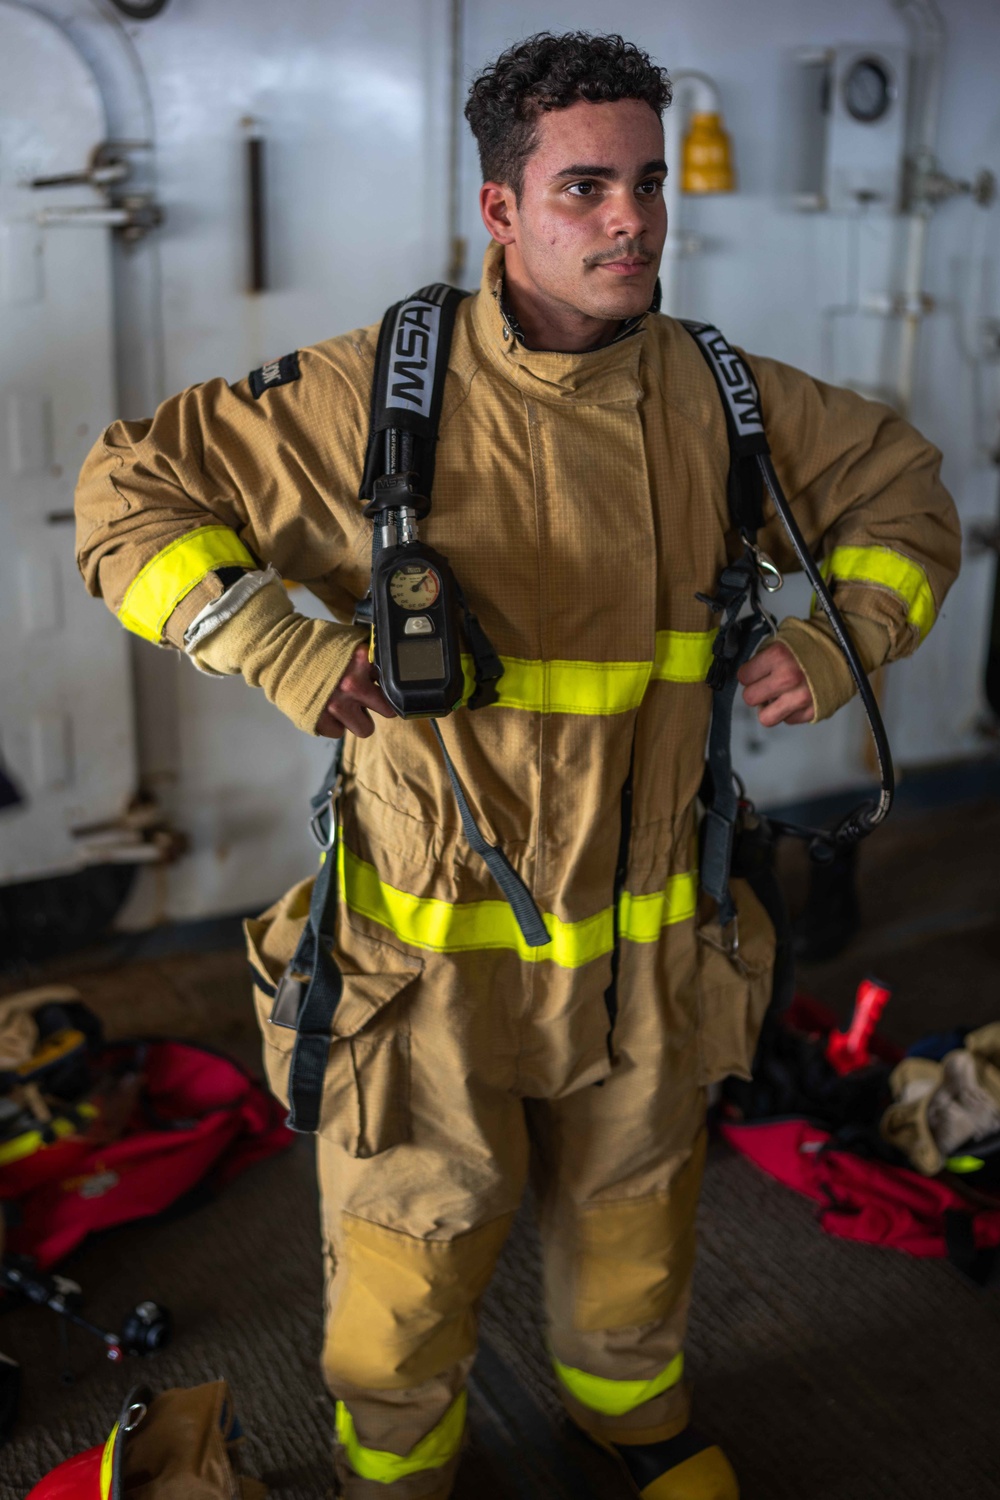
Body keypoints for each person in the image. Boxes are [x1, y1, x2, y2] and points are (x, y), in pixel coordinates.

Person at [75, 31, 960, 1500]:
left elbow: (903, 492)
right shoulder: (372, 399)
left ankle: (630, 1424)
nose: (631, 220)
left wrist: (850, 629)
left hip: (655, 937)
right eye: (585, 187)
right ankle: (400, 1468)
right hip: (429, 960)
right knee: (413, 1241)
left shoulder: (725, 402)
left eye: (649, 184)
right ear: (501, 211)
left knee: (638, 1211)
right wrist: (283, 646)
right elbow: (127, 493)